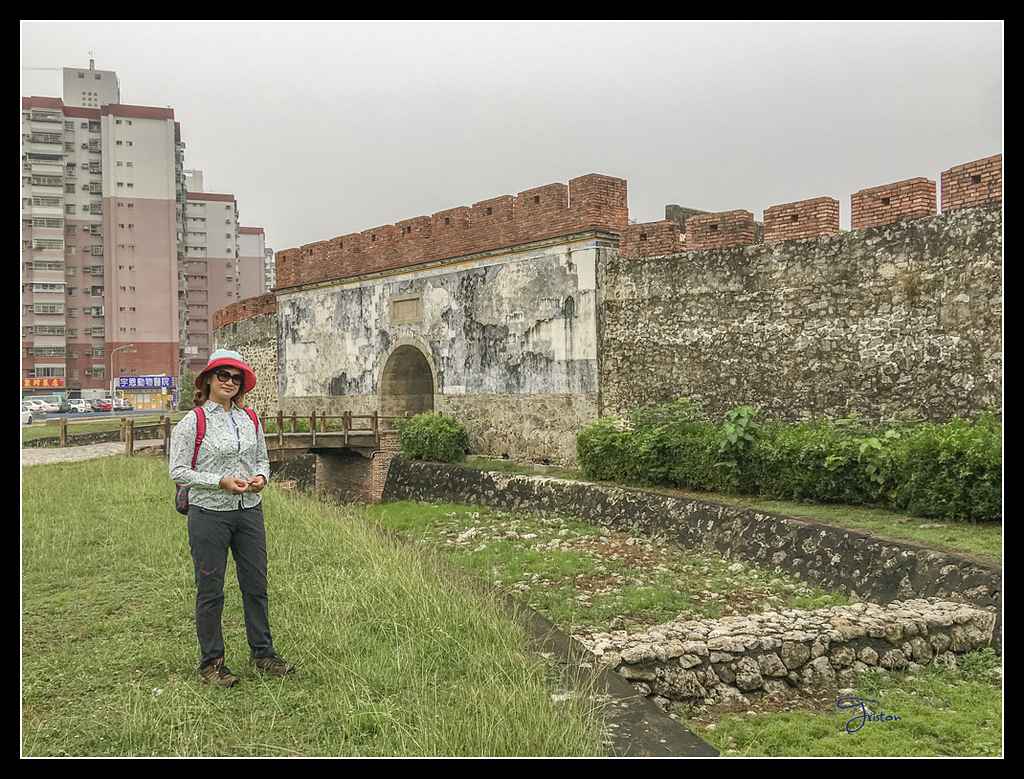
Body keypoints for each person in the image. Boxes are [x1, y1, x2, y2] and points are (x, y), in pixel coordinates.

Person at [170, 349, 294, 687]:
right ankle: (212, 662)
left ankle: (263, 653)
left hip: (248, 512)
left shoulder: (249, 419)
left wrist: (261, 480)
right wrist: (220, 482)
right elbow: (178, 471)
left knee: (256, 585)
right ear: (208, 379)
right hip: (209, 513)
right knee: (210, 589)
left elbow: (262, 461)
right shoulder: (193, 421)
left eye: (236, 377)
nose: (229, 381)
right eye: (223, 375)